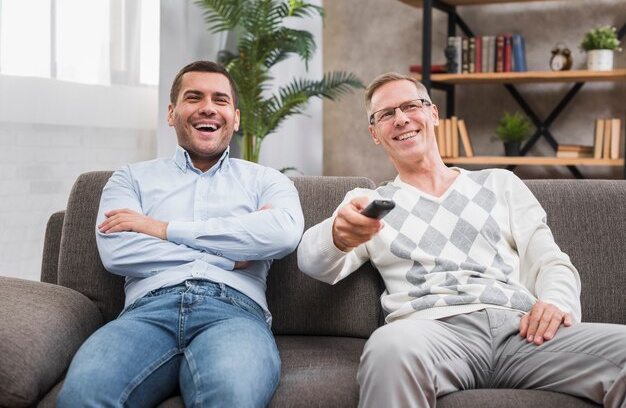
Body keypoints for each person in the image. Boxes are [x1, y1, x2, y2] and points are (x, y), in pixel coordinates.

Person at [297, 72, 626, 407]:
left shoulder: (500, 183)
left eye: (411, 106)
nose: (401, 119)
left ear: (433, 114)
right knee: (388, 347)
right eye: (386, 114)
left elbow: (551, 261)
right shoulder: (369, 201)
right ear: (375, 134)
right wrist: (337, 234)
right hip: (432, 335)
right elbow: (312, 262)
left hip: (524, 333)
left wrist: (556, 303)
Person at [57, 61, 304, 408]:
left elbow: (283, 235)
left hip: (234, 313)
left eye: (219, 100)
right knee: (83, 396)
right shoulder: (129, 179)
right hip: (146, 312)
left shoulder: (268, 181)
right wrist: (232, 253)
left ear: (235, 118)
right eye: (194, 97)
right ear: (172, 113)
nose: (207, 107)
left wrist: (160, 229)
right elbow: (119, 253)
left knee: (232, 398)